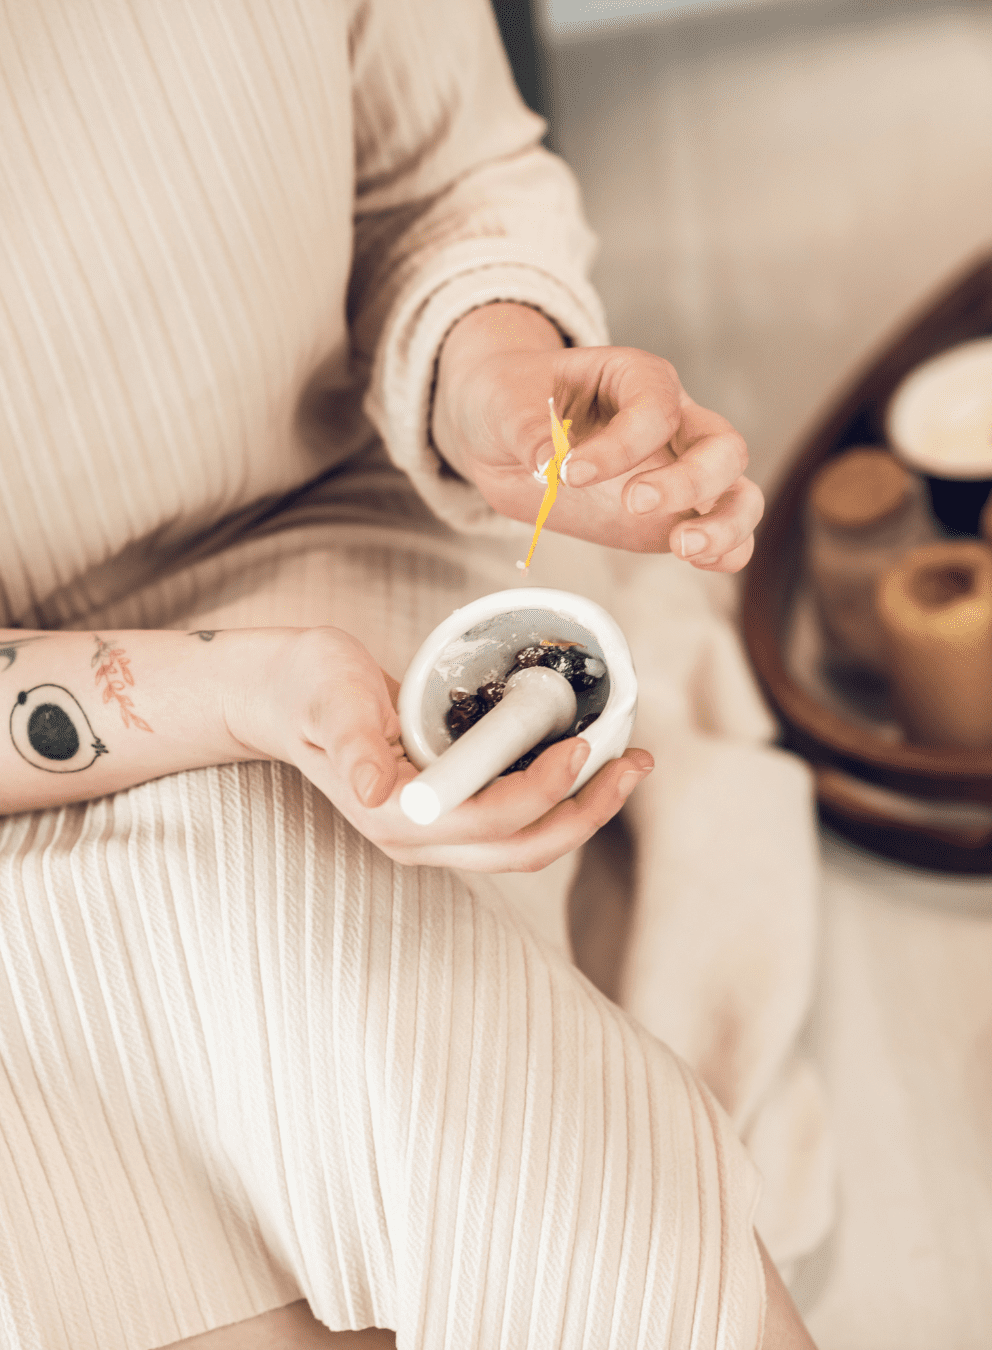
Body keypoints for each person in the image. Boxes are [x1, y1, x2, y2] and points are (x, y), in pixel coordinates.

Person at [0, 1, 811, 1346]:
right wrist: (235, 694)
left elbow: (443, 175)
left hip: (309, 531)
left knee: (580, 1225)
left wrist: (493, 382)